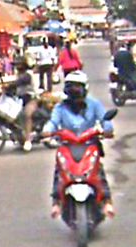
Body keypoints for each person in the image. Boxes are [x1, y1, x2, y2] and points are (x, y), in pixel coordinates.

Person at [42, 71, 115, 219]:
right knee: (60, 171)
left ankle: (107, 201)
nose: (74, 90)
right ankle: (56, 202)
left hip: (89, 144)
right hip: (67, 145)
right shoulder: (60, 107)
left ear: (84, 88)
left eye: (77, 87)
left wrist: (107, 129)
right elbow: (53, 122)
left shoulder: (94, 104)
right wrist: (47, 130)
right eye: (71, 87)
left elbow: (105, 120)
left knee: (98, 171)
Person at [15, 61, 38, 152]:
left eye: (19, 64)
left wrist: (9, 85)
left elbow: (18, 82)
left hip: (31, 99)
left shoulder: (27, 75)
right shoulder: (18, 75)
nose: (17, 66)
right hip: (20, 100)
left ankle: (28, 140)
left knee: (27, 115)